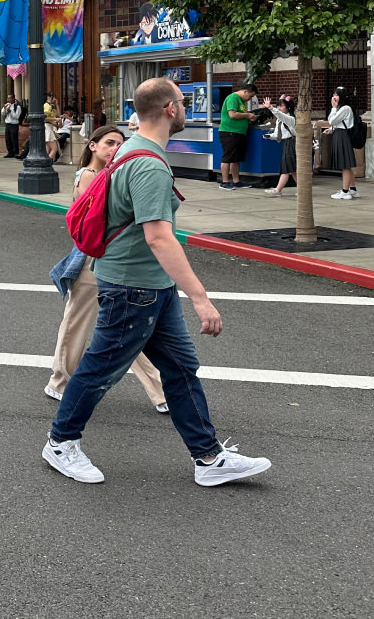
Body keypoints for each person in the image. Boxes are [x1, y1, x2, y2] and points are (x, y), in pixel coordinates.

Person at [43, 77, 271, 487]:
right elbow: (159, 236)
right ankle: (60, 443)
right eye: (182, 103)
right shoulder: (147, 162)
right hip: (132, 287)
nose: (185, 109)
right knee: (99, 370)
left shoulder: (133, 148)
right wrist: (201, 298)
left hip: (151, 286)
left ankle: (208, 458)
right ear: (169, 110)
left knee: (181, 368)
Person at [45, 125, 166, 411]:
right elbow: (104, 218)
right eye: (109, 143)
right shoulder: (90, 177)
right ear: (93, 146)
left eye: (119, 144)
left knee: (126, 325)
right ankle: (59, 382)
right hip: (92, 260)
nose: (115, 148)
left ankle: (161, 390)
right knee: (78, 323)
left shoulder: (110, 175)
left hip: (114, 259)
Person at [320, 87, 360, 200]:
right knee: (346, 164)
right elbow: (338, 123)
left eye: (336, 95)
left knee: (345, 165)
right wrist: (332, 130)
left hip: (343, 137)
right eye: (334, 94)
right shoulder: (342, 109)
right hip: (340, 135)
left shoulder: (345, 108)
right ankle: (352, 189)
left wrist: (333, 108)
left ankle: (345, 191)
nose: (334, 97)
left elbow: (332, 121)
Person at [218, 82, 259, 189]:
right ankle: (225, 181)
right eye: (250, 96)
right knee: (228, 157)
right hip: (229, 132)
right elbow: (232, 114)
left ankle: (236, 181)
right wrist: (248, 115)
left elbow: (240, 115)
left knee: (236, 158)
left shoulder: (241, 101)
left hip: (239, 132)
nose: (250, 99)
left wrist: (248, 118)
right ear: (245, 91)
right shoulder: (233, 98)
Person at [263, 96, 297, 197]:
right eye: (278, 106)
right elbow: (278, 134)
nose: (279, 108)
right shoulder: (279, 120)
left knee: (286, 168)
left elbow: (281, 116)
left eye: (281, 106)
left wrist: (271, 108)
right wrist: (269, 136)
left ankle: (278, 190)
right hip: (285, 143)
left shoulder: (290, 119)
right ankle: (302, 189)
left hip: (291, 143)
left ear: (288, 108)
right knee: (292, 169)